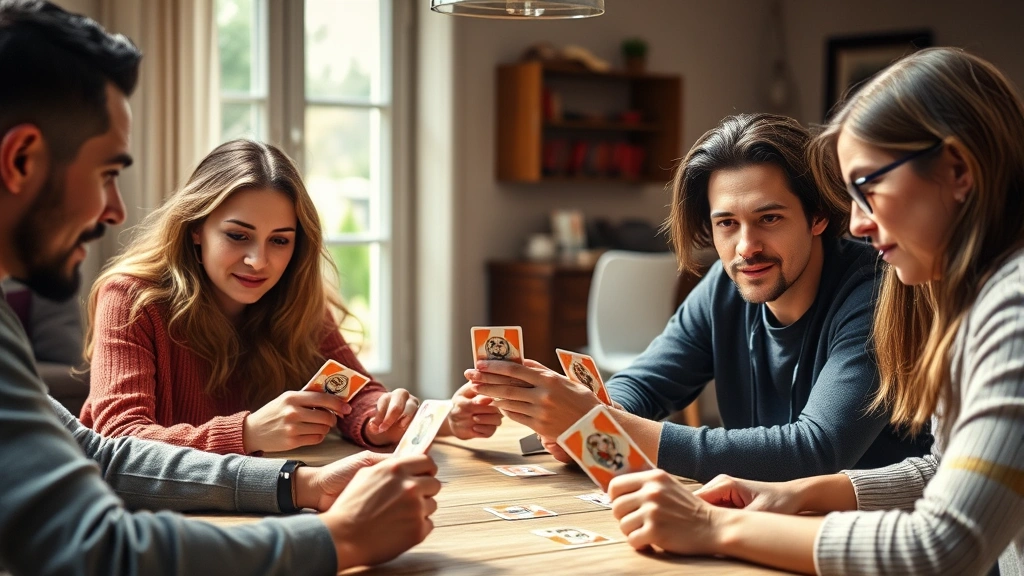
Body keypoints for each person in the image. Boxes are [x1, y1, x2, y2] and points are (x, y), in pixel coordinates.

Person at [0, 2, 438, 574]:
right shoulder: (132, 297)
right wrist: (338, 538)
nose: (114, 209)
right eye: (107, 173)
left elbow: (101, 457)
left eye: (281, 240)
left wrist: (301, 484)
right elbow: (99, 547)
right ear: (21, 158)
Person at [607, 47, 1024, 576]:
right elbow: (945, 469)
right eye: (726, 224)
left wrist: (714, 526)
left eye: (869, 189)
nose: (858, 223)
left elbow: (943, 545)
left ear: (958, 170)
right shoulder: (976, 297)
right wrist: (803, 494)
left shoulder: (1013, 307)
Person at [467, 113, 930, 482]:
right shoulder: (724, 287)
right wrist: (580, 418)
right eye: (727, 223)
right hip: (767, 523)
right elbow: (646, 384)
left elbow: (815, 451)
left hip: (869, 545)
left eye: (769, 218)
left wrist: (599, 422)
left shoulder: (879, 292)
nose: (746, 247)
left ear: (817, 217)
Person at [80, 138, 420, 454]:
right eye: (238, 235)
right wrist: (248, 433)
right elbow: (119, 439)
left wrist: (381, 419)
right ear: (196, 229)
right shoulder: (130, 298)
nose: (258, 261)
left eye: (279, 240)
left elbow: (349, 390)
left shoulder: (297, 299)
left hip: (259, 497)